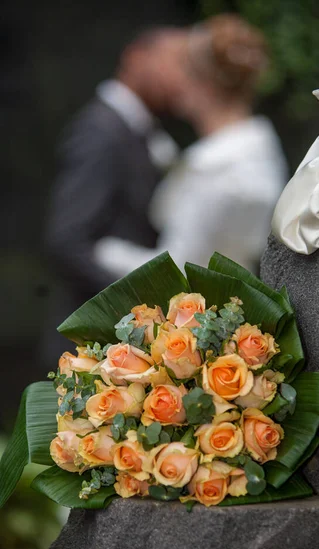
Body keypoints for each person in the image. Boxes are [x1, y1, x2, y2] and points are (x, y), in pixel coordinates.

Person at [94, 14, 288, 275]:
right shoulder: (264, 151)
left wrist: (104, 252)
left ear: (197, 82)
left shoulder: (214, 169)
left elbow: (177, 270)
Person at [42, 28, 185, 364]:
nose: (178, 77)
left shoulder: (139, 128)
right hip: (87, 350)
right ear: (136, 56)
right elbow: (67, 240)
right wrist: (138, 306)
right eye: (173, 62)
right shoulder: (101, 131)